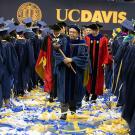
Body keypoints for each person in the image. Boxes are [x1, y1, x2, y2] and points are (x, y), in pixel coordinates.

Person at [55, 24, 88, 120]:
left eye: (73, 32)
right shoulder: (63, 41)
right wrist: (63, 60)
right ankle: (63, 113)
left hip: (76, 72)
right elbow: (57, 53)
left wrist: (72, 60)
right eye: (70, 32)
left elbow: (84, 58)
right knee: (64, 91)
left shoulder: (82, 44)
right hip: (64, 72)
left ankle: (73, 110)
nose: (71, 34)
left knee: (75, 91)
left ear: (78, 33)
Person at [85, 23, 109, 102]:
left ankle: (94, 96)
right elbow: (84, 51)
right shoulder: (87, 38)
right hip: (89, 63)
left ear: (98, 30)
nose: (93, 32)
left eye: (95, 30)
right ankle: (87, 95)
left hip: (99, 64)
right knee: (88, 78)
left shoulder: (103, 39)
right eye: (92, 30)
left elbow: (106, 52)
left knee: (97, 79)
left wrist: (105, 62)